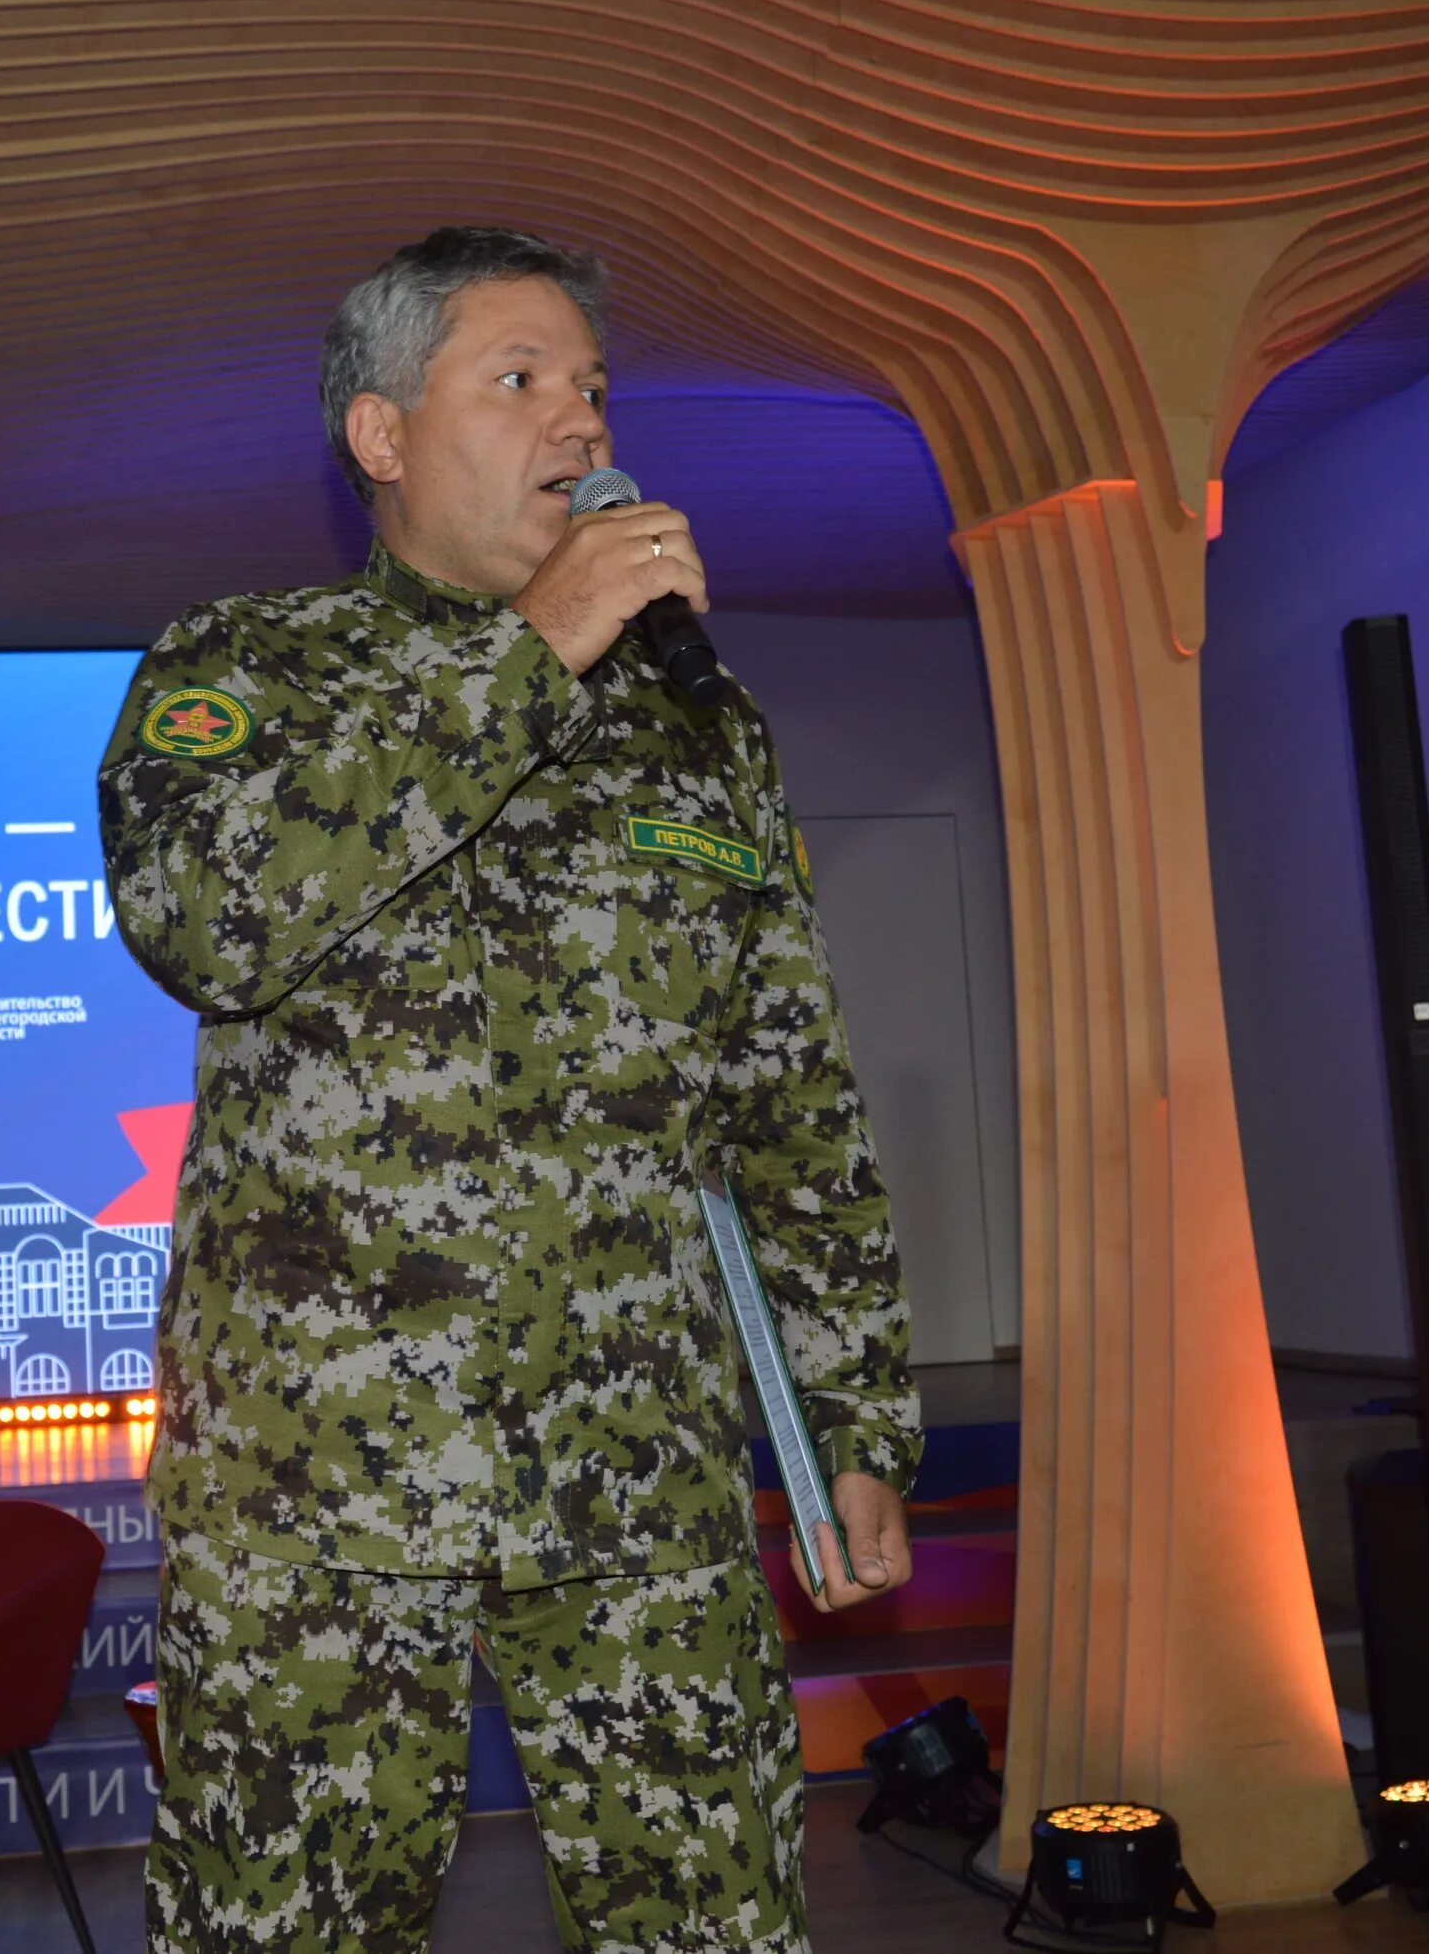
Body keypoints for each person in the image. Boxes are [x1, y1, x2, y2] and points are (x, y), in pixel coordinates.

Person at [99, 225, 922, 1953]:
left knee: (713, 1927)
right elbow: (208, 922)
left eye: (594, 387)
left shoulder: (697, 727)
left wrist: (849, 1429)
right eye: (520, 380)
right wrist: (526, 656)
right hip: (317, 1495)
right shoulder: (241, 671)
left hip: (639, 1475)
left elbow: (790, 1101)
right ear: (384, 436)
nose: (578, 422)